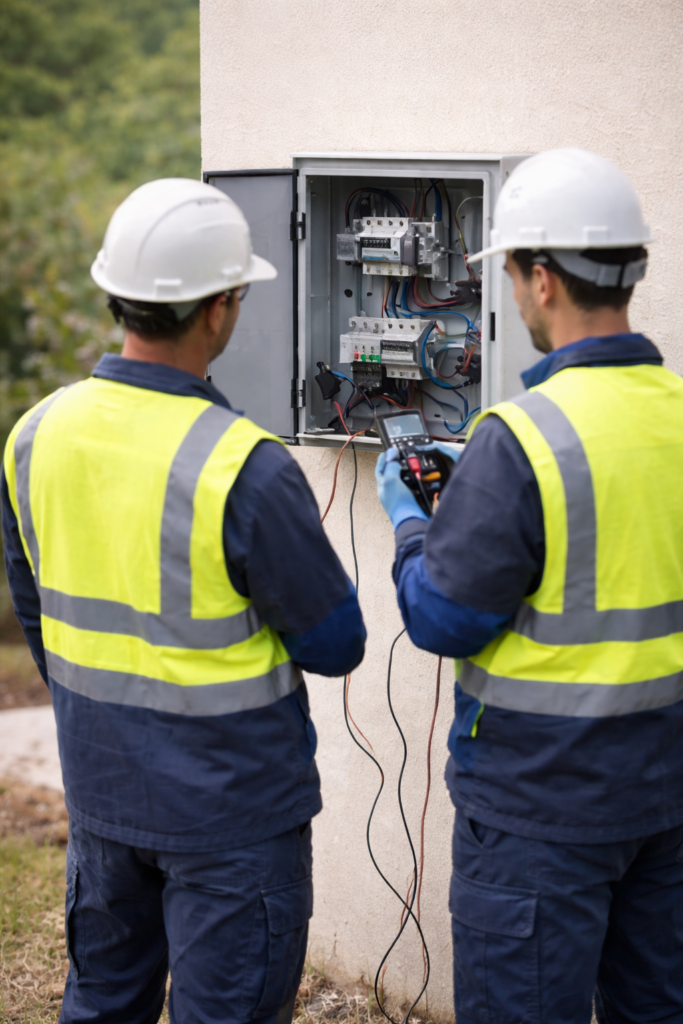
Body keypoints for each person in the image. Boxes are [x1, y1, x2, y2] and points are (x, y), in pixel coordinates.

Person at [1, 178, 366, 1024]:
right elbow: (335, 644)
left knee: (103, 1003)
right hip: (234, 821)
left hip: (103, 801)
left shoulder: (34, 434)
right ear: (223, 306)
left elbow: (38, 612)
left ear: (114, 293)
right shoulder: (245, 465)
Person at [376, 149, 683, 1024]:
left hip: (536, 817)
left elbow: (443, 618)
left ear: (542, 277)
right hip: (662, 799)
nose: (511, 293)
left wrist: (411, 523)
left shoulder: (519, 438)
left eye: (509, 272)